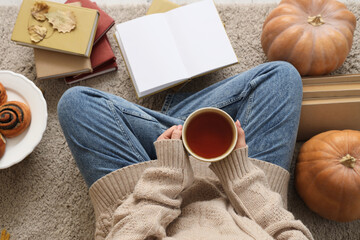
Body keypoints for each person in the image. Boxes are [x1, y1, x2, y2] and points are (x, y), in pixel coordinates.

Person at [57, 61, 314, 239]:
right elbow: (291, 233)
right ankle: (184, 128)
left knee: (76, 103)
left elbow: (128, 233)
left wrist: (168, 174)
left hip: (143, 199)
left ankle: (180, 127)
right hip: (248, 201)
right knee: (280, 76)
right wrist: (240, 175)